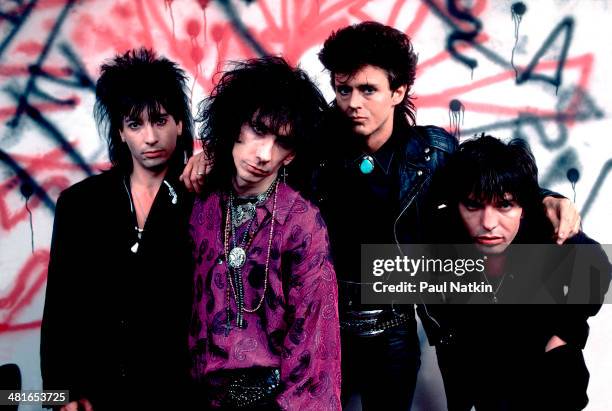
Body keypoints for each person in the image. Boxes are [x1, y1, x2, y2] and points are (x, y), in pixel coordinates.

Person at [312, 21, 582, 410]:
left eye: (368, 89)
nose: (353, 102)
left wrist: (545, 199)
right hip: (325, 324)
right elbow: (263, 158)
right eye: (343, 90)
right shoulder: (316, 148)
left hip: (393, 329)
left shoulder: (430, 153)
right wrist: (211, 157)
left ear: (398, 91)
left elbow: (486, 184)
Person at [40, 48, 195, 410]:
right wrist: (60, 392)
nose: (151, 138)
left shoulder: (202, 200)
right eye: (135, 125)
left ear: (180, 124)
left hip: (177, 392)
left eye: (159, 120)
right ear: (121, 133)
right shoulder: (80, 204)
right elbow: (61, 305)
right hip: (98, 392)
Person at [188, 56, 341, 410]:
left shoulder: (301, 221)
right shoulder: (201, 204)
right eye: (258, 129)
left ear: (291, 156)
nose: (264, 153)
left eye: (282, 142)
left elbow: (315, 340)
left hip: (270, 400)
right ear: (234, 124)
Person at [426, 135, 611, 410]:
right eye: (473, 206)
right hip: (486, 375)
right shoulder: (444, 236)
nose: (488, 223)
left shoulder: (547, 233)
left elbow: (596, 265)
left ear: (524, 208)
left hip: (547, 374)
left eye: (504, 205)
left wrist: (563, 334)